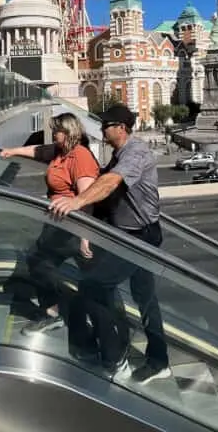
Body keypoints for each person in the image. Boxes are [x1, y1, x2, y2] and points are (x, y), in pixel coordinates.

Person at [49, 104, 170, 384]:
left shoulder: (135, 153)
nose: (102, 129)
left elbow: (111, 182)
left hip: (140, 235)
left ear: (122, 128)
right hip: (128, 233)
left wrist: (77, 202)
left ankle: (116, 358)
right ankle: (158, 359)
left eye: (107, 125)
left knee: (94, 285)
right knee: (145, 297)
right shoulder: (118, 153)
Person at [0, 112, 99, 333]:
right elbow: (37, 151)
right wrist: (12, 151)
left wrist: (86, 237)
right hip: (57, 224)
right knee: (40, 263)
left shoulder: (80, 157)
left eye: (57, 131)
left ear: (69, 132)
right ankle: (56, 311)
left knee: (47, 263)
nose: (54, 134)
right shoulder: (60, 152)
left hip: (74, 227)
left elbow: (87, 199)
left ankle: (92, 317)